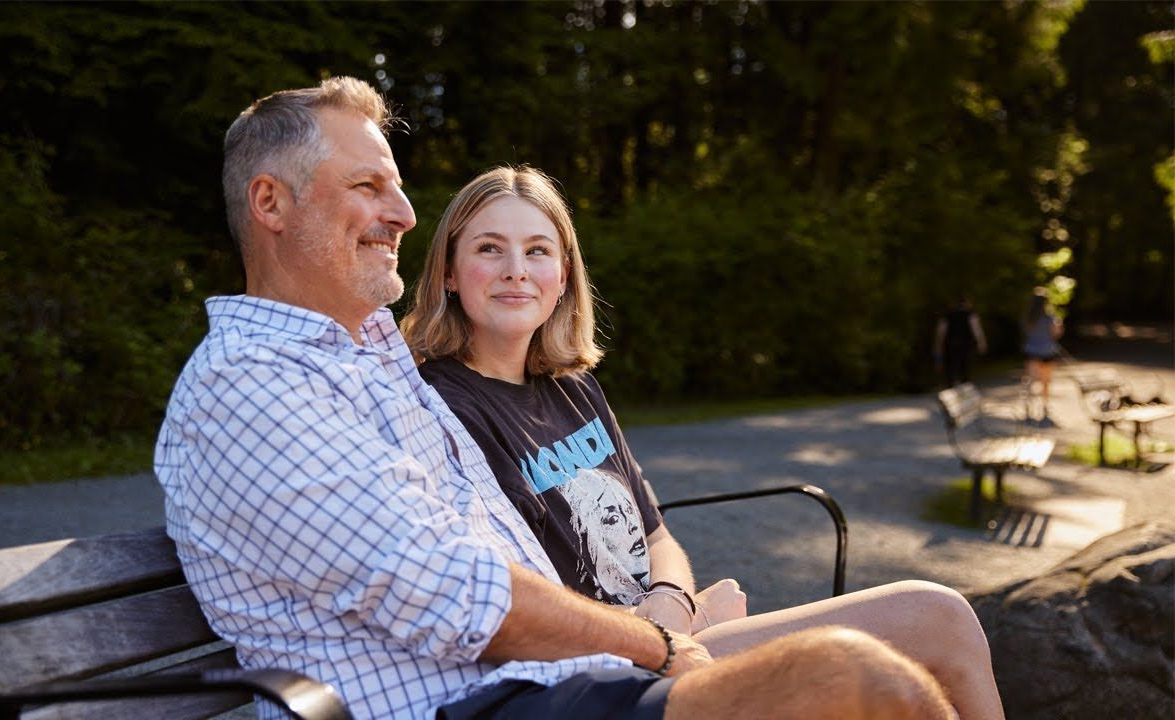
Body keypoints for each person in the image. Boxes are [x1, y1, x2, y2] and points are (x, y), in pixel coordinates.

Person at [156, 77, 962, 720]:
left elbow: (546, 554)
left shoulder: (370, 358)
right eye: (370, 185)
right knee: (853, 682)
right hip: (480, 703)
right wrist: (661, 641)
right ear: (271, 204)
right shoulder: (251, 385)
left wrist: (671, 612)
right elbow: (469, 599)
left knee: (917, 634)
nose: (403, 213)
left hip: (561, 681)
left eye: (397, 189)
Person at [402, 165, 1006, 719]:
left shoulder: (574, 388)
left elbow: (657, 533)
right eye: (489, 249)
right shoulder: (442, 407)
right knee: (931, 621)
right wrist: (668, 627)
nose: (516, 270)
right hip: (606, 673)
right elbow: (510, 599)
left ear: (563, 276)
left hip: (674, 630)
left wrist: (673, 599)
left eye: (538, 251)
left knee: (939, 621)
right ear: (450, 273)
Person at [1022, 287, 1063, 425]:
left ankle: (1028, 411)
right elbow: (1056, 333)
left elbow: (1026, 332)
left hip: (1032, 352)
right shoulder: (1050, 318)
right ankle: (1044, 411)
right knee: (1045, 383)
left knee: (1031, 383)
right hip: (1047, 352)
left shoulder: (1028, 318)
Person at [934, 297, 988, 387]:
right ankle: (965, 395)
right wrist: (982, 343)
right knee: (965, 373)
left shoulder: (947, 315)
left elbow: (940, 333)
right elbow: (977, 330)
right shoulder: (970, 314)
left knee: (950, 373)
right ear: (966, 303)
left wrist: (938, 347)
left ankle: (951, 392)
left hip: (950, 346)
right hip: (966, 346)